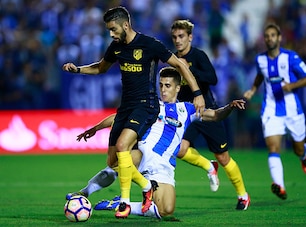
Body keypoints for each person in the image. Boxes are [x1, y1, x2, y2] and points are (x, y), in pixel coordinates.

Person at [62, 6, 205, 219]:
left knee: (122, 146)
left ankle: (127, 201)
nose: (110, 34)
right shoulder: (116, 47)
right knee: (114, 163)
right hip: (126, 107)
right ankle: (87, 192)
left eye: (113, 29)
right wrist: (79, 69)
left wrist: (197, 92)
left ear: (125, 25)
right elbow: (101, 68)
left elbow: (179, 65)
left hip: (146, 105)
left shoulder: (150, 45)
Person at [71, 67, 246, 219]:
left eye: (168, 86)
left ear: (178, 88)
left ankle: (119, 205)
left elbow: (215, 115)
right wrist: (96, 128)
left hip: (164, 167)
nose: (163, 89)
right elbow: (119, 117)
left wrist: (229, 107)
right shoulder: (151, 105)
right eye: (161, 85)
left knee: (166, 210)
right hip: (143, 157)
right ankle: (84, 192)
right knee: (117, 162)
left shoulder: (187, 109)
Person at [170, 19, 250, 210]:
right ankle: (208, 166)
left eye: (181, 36)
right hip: (186, 112)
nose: (177, 40)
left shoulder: (198, 56)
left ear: (190, 37)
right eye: (174, 37)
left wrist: (188, 69)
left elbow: (212, 78)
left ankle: (242, 195)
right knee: (180, 150)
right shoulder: (172, 58)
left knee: (223, 157)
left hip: (206, 111)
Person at [243, 23, 306, 200]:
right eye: (267, 36)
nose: (269, 39)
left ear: (279, 37)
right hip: (271, 110)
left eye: (273, 35)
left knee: (297, 148)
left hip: (292, 110)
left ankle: (303, 154)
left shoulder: (291, 57)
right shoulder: (260, 59)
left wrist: (292, 85)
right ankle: (279, 186)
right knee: (273, 147)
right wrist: (252, 89)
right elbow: (260, 75)